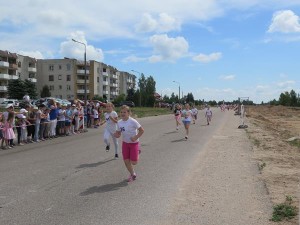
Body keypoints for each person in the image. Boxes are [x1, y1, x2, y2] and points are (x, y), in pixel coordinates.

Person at [114, 105, 144, 182]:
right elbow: (118, 133)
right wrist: (117, 134)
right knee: (126, 161)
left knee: (134, 162)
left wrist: (136, 137)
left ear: (128, 113)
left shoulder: (133, 121)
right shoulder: (119, 123)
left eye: (124, 112)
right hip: (125, 144)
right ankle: (132, 174)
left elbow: (141, 130)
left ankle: (137, 151)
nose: (122, 113)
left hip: (134, 143)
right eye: (121, 112)